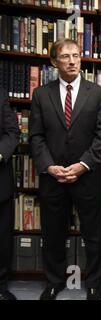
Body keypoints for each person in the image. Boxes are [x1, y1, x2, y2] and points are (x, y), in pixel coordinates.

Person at [29, 39, 101, 300]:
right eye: (65, 57)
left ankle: (95, 283)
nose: (73, 61)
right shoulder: (41, 94)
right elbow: (36, 136)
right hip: (53, 178)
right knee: (52, 233)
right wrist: (49, 166)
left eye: (76, 55)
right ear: (54, 62)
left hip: (88, 176)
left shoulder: (99, 94)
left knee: (94, 233)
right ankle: (54, 281)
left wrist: (83, 165)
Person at [0, 87, 20, 300]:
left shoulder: (0, 94)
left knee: (2, 237)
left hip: (0, 179)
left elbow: (12, 132)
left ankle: (0, 286)